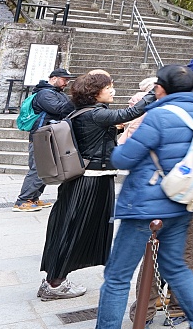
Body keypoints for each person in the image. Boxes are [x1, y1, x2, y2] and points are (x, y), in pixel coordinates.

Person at [57, 65, 193, 329]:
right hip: (183, 201)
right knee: (174, 265)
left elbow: (123, 158)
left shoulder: (159, 115)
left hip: (146, 205)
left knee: (118, 276)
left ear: (162, 88)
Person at [130, 58, 193, 326]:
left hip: (180, 191)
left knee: (180, 250)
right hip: (176, 192)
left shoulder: (169, 110)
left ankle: (169, 306)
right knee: (166, 250)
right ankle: (150, 309)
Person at [38, 73, 153, 301]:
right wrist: (154, 93)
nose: (113, 91)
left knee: (69, 227)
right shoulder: (96, 113)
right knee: (73, 230)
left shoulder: (81, 112)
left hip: (84, 179)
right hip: (91, 180)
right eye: (108, 87)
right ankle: (54, 284)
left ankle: (55, 278)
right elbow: (129, 113)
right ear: (94, 92)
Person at [13, 68, 73, 212]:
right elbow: (60, 109)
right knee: (38, 169)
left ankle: (33, 198)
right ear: (53, 78)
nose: (66, 83)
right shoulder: (45, 94)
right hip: (41, 137)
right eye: (64, 79)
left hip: (50, 136)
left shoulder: (57, 93)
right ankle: (22, 201)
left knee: (45, 169)